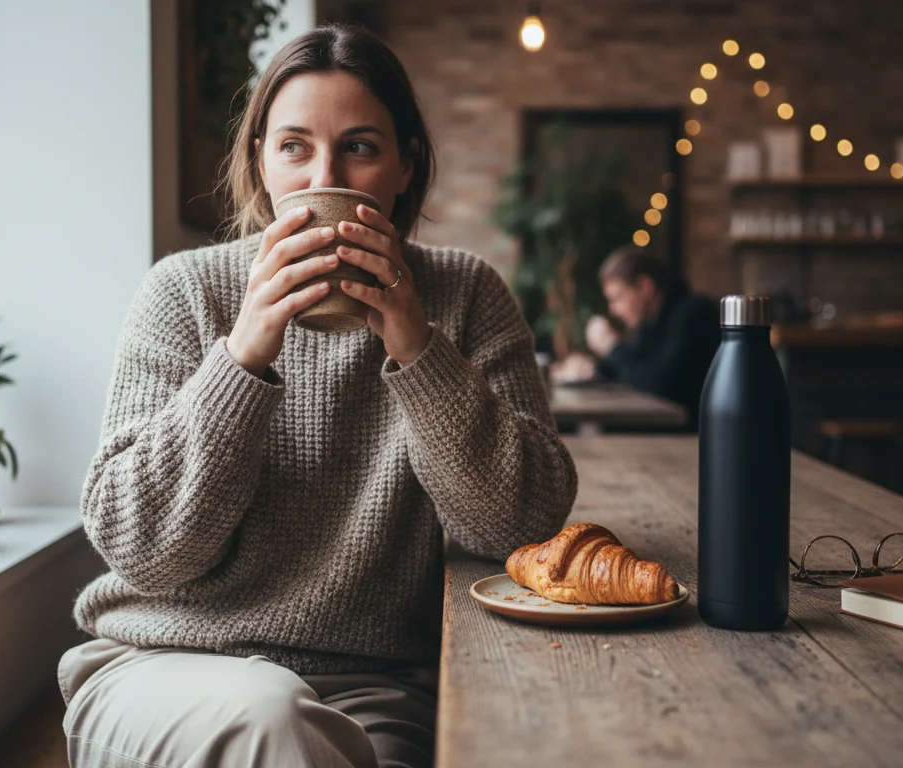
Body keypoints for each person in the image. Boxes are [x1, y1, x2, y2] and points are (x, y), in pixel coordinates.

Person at [58, 25, 577, 768]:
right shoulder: (183, 293)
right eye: (294, 146)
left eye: (360, 147)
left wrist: (417, 345)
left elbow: (521, 526)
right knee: (272, 721)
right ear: (260, 162)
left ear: (406, 165)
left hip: (371, 688)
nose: (320, 175)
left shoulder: (464, 297)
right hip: (161, 668)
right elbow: (141, 550)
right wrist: (242, 355)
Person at [555, 246, 720, 429]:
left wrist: (612, 346)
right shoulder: (652, 321)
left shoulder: (694, 315)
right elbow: (634, 368)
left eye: (617, 298)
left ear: (645, 287)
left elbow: (659, 384)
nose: (613, 310)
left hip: (697, 438)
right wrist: (592, 368)